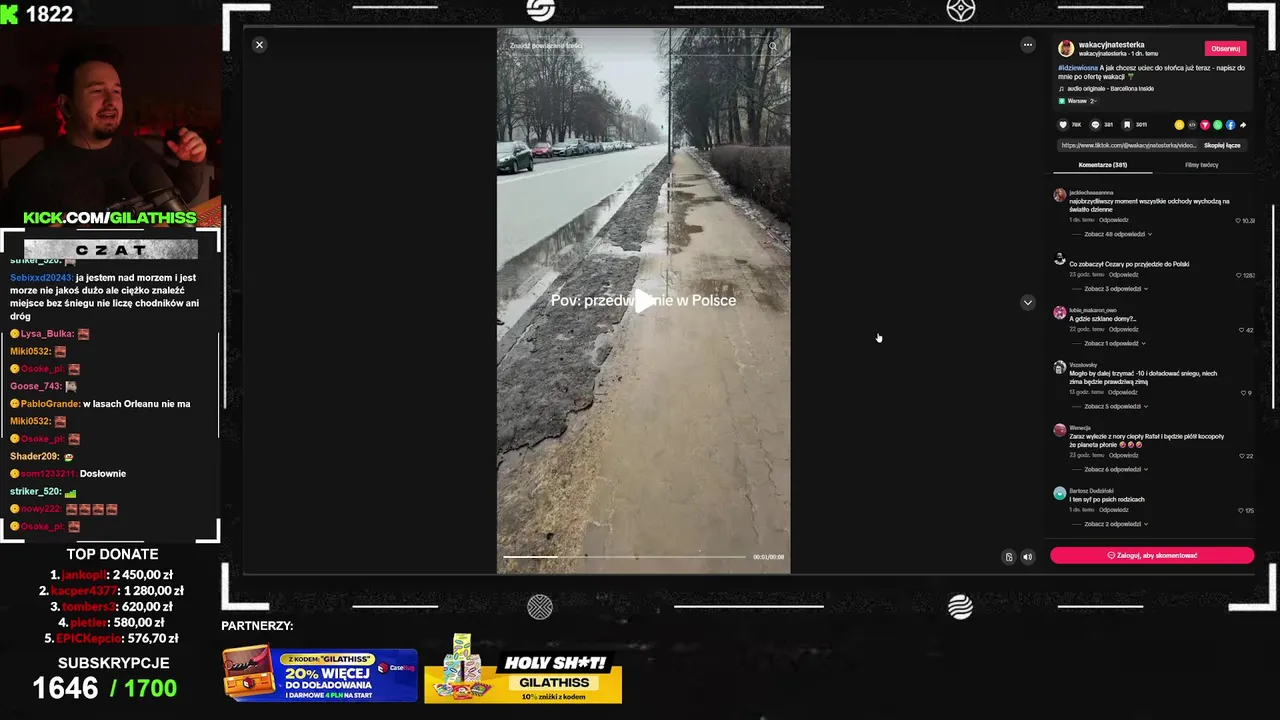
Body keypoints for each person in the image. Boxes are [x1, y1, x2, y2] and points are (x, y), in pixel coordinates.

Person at [0, 44, 207, 225]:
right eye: (97, 91)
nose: (111, 101)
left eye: (116, 91)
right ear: (66, 105)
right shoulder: (36, 179)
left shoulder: (135, 150)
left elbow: (177, 198)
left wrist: (191, 163)